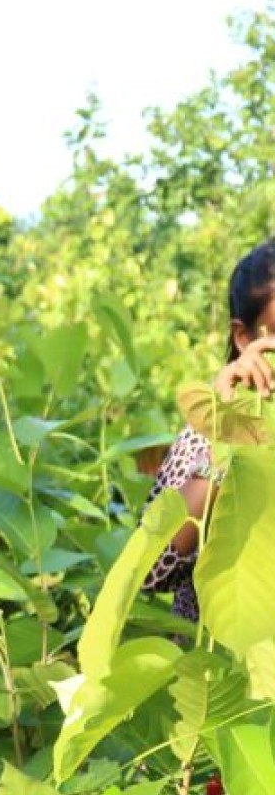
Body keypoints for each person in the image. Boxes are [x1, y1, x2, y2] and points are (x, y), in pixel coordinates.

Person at [142, 238, 275, 620]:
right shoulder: (208, 429)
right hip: (217, 670)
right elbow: (152, 569)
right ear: (244, 338)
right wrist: (226, 438)